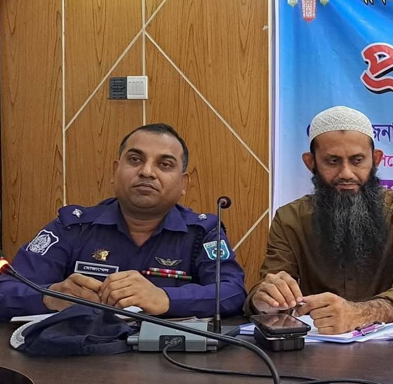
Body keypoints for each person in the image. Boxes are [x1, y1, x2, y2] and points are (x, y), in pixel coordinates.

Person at [0, 124, 247, 320]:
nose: (147, 172)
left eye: (164, 164)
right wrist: (50, 296)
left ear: (183, 184)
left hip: (171, 360)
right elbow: (5, 289)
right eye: (135, 160)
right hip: (80, 360)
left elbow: (233, 291)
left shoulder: (202, 233)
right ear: (115, 171)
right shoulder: (73, 227)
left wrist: (164, 298)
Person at [247, 106, 393, 334]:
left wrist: (361, 313)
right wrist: (266, 301)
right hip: (315, 346)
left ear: (376, 160)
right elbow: (267, 288)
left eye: (357, 160)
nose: (346, 173)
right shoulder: (289, 219)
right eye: (332, 161)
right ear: (311, 163)